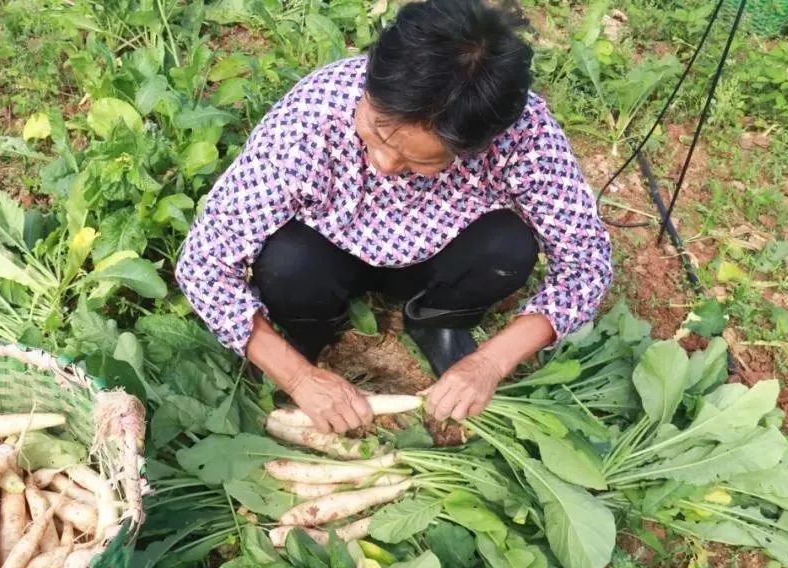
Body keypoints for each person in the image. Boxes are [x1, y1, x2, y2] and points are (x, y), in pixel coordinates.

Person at [175, 0, 612, 434]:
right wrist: (297, 375)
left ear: (477, 146)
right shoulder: (310, 121)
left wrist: (491, 362)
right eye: (377, 129)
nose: (383, 163)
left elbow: (586, 262)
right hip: (328, 255)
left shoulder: (523, 134)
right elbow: (202, 263)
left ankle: (437, 319)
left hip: (439, 254)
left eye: (418, 162)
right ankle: (308, 333)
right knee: (288, 263)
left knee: (509, 246)